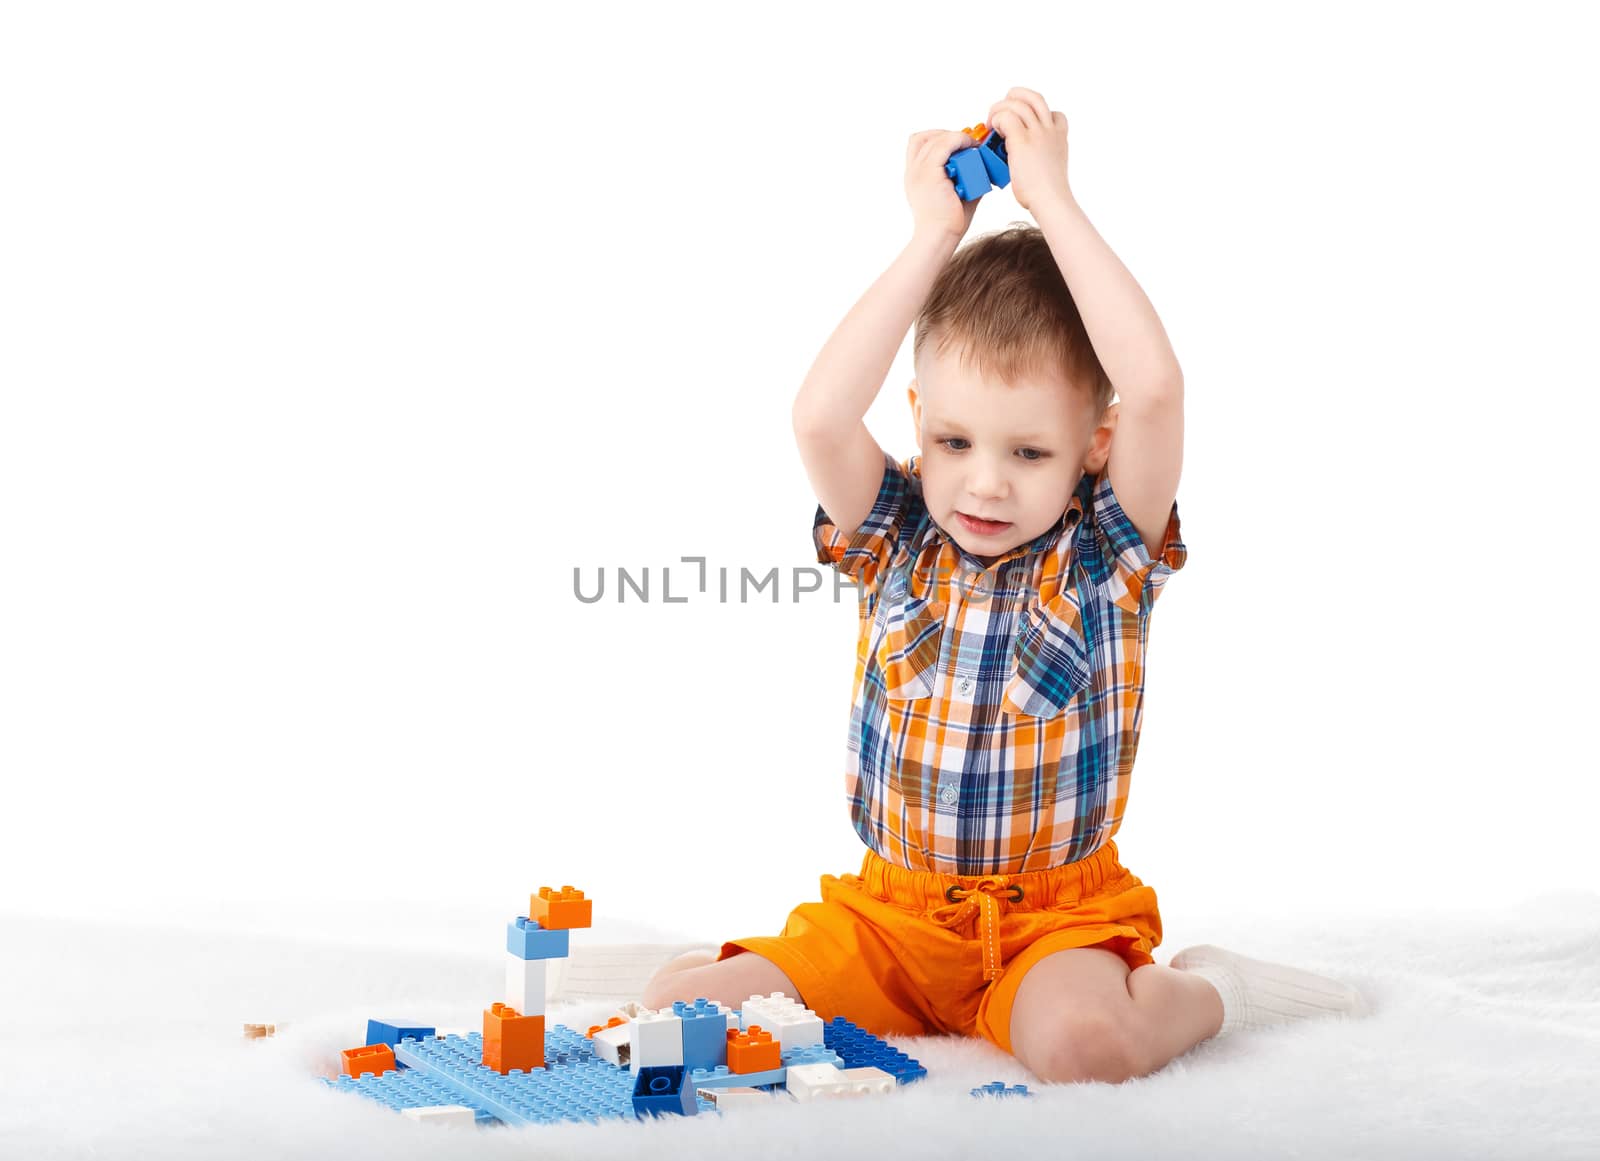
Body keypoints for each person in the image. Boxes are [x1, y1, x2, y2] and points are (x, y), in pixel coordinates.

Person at [637, 87, 1369, 1084]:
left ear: (1091, 446)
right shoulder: (893, 534)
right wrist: (931, 235)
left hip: (1049, 928)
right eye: (952, 440)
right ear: (918, 419)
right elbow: (816, 417)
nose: (982, 481)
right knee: (677, 1013)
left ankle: (1214, 989)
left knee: (1085, 1047)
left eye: (1028, 450)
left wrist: (1052, 201)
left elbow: (1153, 386)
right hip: (890, 922)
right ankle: (688, 962)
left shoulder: (1104, 550)